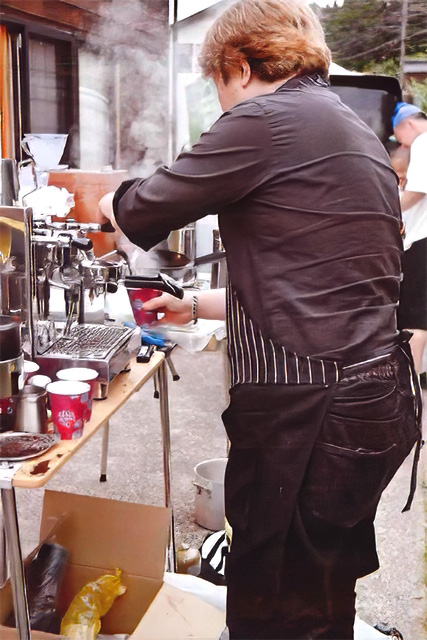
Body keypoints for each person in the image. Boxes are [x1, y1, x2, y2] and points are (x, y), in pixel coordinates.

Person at [99, 1, 422, 637]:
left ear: (241, 67)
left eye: (218, 85)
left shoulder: (266, 118)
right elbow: (313, 282)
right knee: (318, 590)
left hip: (313, 410)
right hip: (373, 400)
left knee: (277, 604)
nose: (222, 105)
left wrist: (104, 197)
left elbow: (141, 210)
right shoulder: (349, 126)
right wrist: (194, 305)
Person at [392, 103, 427, 374]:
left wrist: (387, 207)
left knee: (414, 313)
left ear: (409, 124)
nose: (401, 144)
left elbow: (418, 189)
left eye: (398, 136)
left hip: (422, 238)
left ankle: (411, 381)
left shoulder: (423, 142)